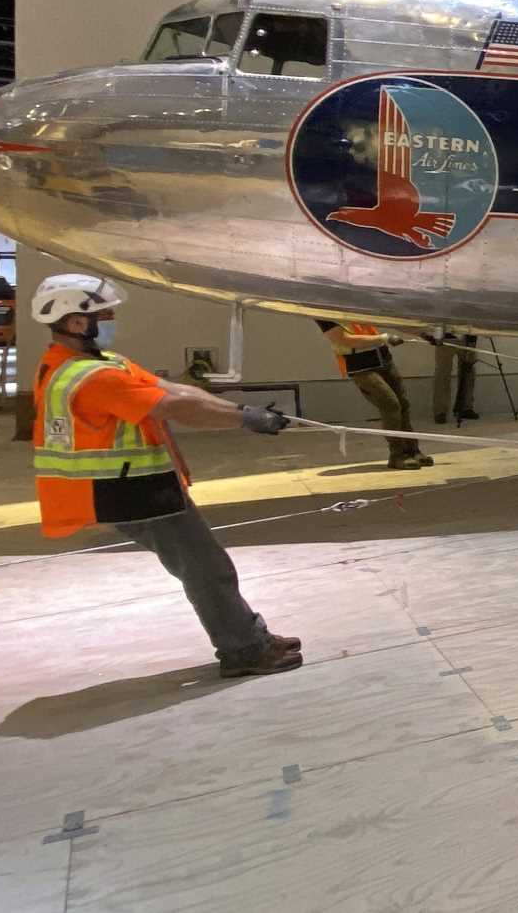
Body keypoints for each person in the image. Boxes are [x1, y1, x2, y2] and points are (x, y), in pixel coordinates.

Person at [30, 273, 302, 677]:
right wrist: (244, 420)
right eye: (104, 314)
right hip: (129, 491)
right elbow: (174, 409)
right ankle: (244, 650)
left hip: (138, 485)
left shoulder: (100, 363)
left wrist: (244, 411)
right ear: (74, 322)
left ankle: (248, 636)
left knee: (205, 565)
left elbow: (177, 392)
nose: (111, 321)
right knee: (206, 568)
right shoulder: (93, 378)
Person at [316, 319, 430, 468]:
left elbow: (392, 319)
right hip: (360, 366)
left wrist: (424, 333)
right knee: (390, 404)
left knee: (403, 404)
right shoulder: (323, 313)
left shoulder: (352, 304)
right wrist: (383, 338)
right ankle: (397, 454)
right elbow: (344, 339)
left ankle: (413, 450)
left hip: (383, 359)